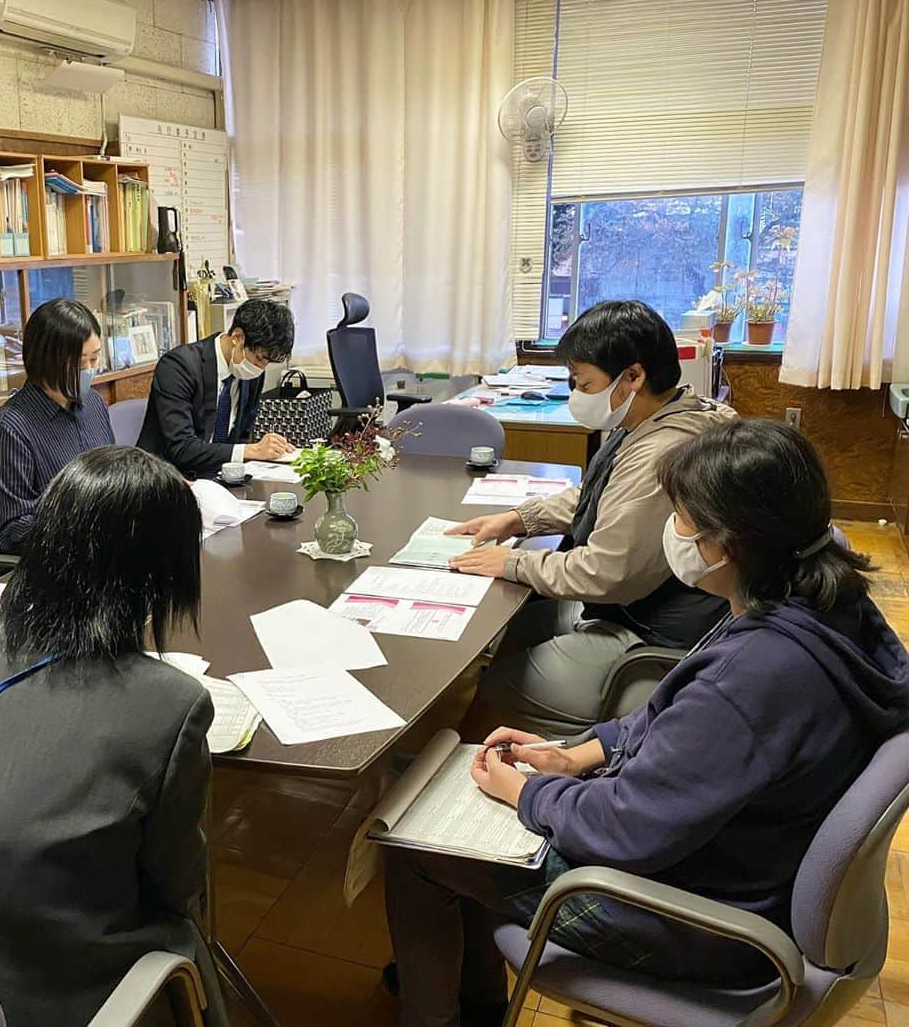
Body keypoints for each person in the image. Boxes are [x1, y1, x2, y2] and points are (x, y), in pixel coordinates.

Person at [385, 420, 909, 1027]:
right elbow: (675, 719)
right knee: (471, 823)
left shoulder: (756, 676)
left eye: (682, 517)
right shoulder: (821, 593)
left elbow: (622, 832)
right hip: (742, 866)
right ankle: (475, 999)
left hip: (693, 918)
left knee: (418, 847)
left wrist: (529, 793)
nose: (674, 530)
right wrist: (580, 753)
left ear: (727, 543)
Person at [0, 446, 226, 1027]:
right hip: (71, 993)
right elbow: (176, 885)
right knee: (193, 946)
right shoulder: (173, 705)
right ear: (161, 574)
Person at [449, 300, 736, 736]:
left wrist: (512, 562)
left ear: (634, 377)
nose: (577, 395)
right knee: (512, 624)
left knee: (487, 690)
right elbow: (600, 497)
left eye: (584, 383)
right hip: (642, 607)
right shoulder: (666, 415)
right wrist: (518, 519)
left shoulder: (661, 453)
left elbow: (606, 572)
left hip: (649, 634)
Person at [0, 298, 114, 554]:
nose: (89, 370)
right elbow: (14, 529)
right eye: (79, 363)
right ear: (46, 360)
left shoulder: (93, 403)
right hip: (51, 563)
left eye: (95, 358)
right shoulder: (12, 427)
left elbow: (111, 478)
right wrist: (80, 528)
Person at [137, 297, 297, 477]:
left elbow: (243, 434)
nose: (261, 368)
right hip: (168, 477)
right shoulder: (178, 366)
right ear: (237, 337)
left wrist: (267, 451)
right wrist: (251, 450)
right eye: (260, 358)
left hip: (218, 475)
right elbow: (182, 448)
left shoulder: (251, 372)